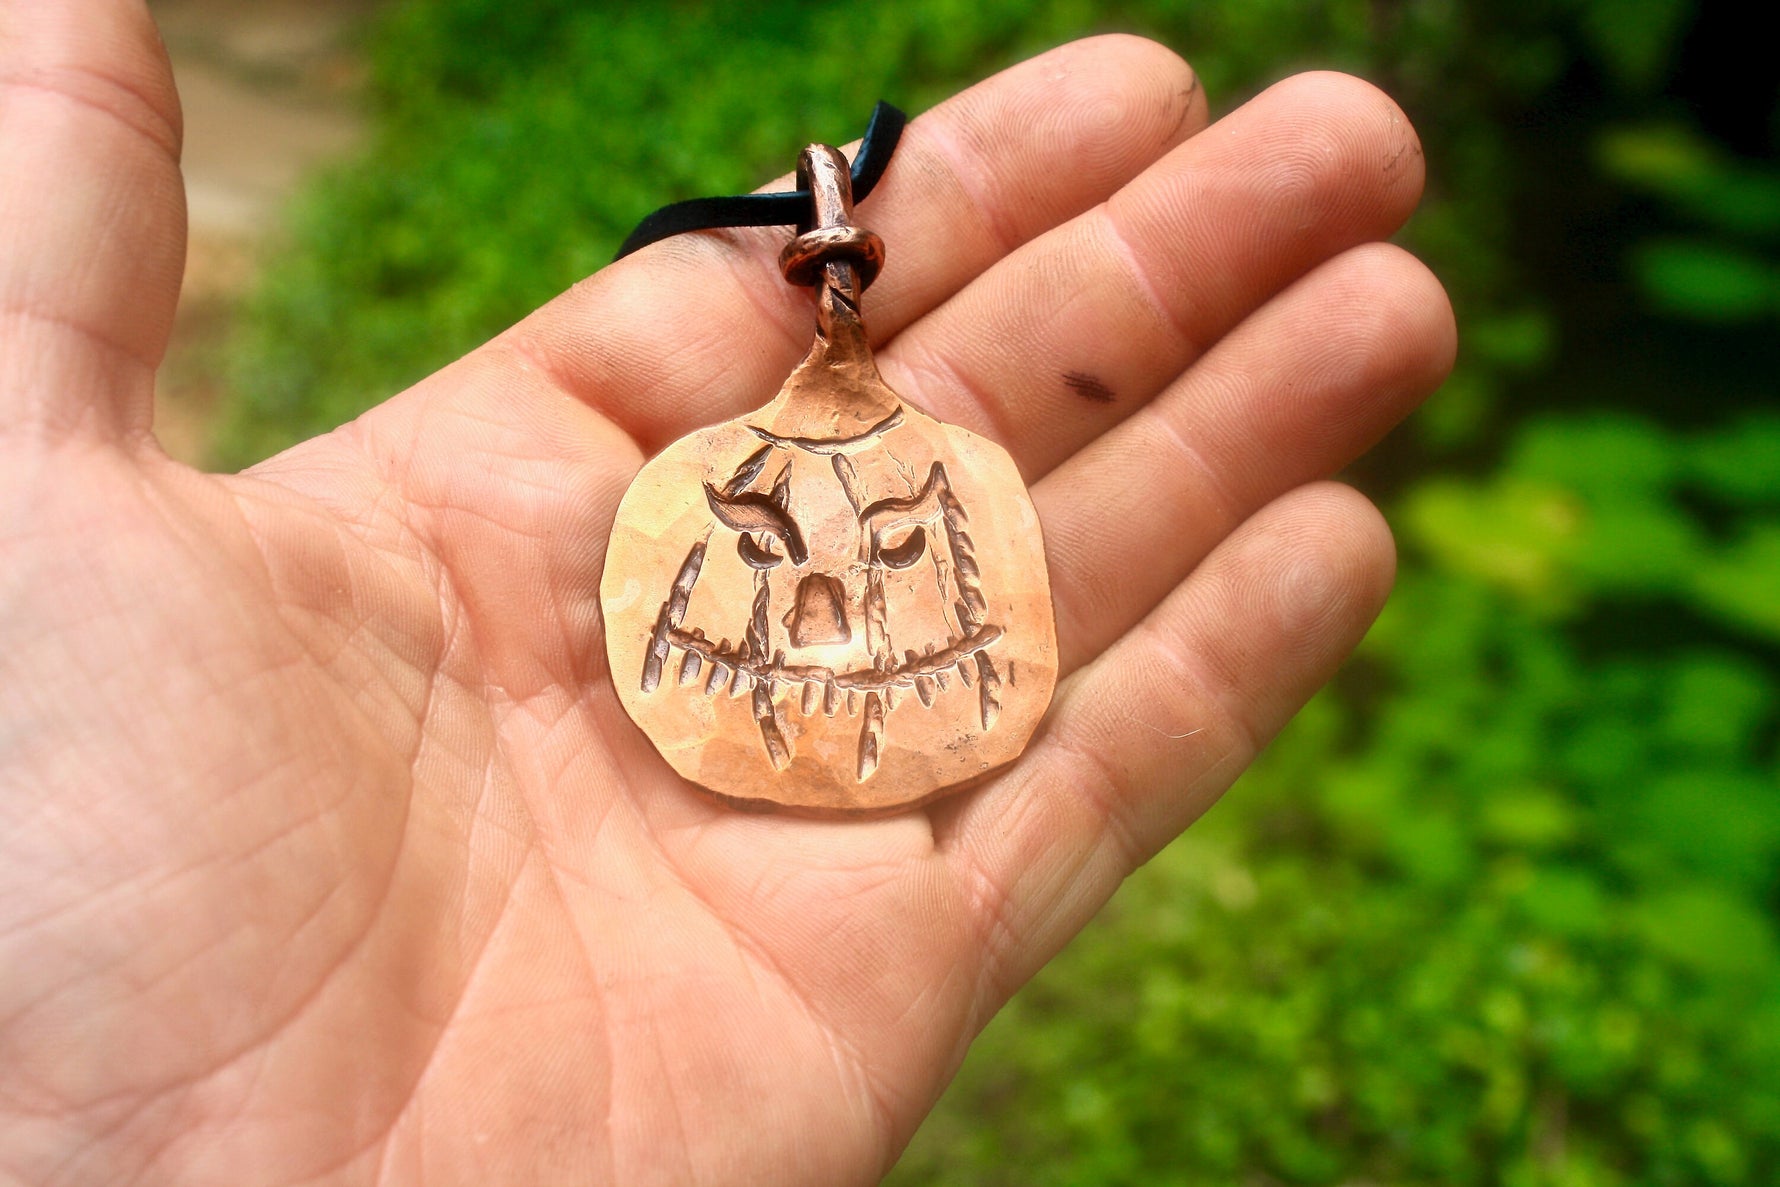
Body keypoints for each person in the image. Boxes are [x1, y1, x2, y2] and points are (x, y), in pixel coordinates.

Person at [0, 3, 1456, 1183]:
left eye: (893, 550)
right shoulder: (724, 534)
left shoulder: (933, 530)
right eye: (768, 549)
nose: (824, 595)